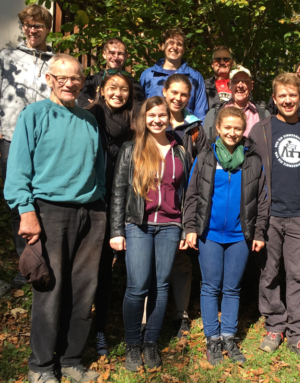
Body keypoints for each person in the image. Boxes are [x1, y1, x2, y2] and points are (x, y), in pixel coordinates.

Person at [4, 53, 106, 383]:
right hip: (48, 213)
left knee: (83, 291)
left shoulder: (89, 120)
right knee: (49, 290)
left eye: (75, 78)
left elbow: (100, 168)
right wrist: (27, 211)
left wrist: (99, 202)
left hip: (90, 213)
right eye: (62, 78)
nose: (69, 84)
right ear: (50, 79)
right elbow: (18, 169)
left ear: (82, 81)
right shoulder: (34, 115)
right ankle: (42, 367)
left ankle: (72, 359)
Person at [109, 96, 191, 372]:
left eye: (162, 115)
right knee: (138, 286)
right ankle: (133, 344)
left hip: (170, 225)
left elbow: (187, 193)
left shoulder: (179, 151)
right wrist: (117, 230)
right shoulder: (132, 148)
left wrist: (184, 228)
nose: (157, 120)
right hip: (138, 225)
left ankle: (152, 342)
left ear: (170, 118)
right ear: (144, 118)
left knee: (162, 285)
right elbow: (119, 190)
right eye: (152, 115)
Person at [184, 107, 268, 365]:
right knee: (210, 286)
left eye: (237, 128)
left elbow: (262, 200)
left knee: (232, 288)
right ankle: (212, 338)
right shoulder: (206, 157)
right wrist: (189, 227)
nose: (232, 133)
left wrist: (259, 232)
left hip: (239, 235)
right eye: (227, 127)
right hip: (209, 234)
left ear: (243, 130)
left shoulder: (252, 160)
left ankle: (229, 336)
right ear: (218, 128)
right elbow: (193, 195)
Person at [249, 73, 300, 362]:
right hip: (270, 216)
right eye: (283, 96)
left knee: (299, 276)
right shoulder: (261, 131)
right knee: (269, 273)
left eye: (293, 95)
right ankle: (275, 326)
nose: (288, 100)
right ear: (275, 99)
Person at [0, 4, 55, 289]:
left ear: (47, 29)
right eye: (28, 26)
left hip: (46, 142)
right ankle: (25, 266)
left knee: (45, 200)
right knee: (17, 203)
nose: (33, 30)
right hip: (10, 138)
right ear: (23, 28)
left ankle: (47, 259)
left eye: (39, 26)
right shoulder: (6, 58)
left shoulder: (56, 62)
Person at [86, 70, 136, 356]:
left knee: (115, 269)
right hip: (93, 202)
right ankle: (89, 326)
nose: (118, 93)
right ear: (102, 90)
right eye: (112, 88)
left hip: (124, 202)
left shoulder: (133, 123)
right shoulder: (90, 117)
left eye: (124, 89)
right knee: (92, 269)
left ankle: (109, 326)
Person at [161, 73, 206, 339]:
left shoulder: (195, 127)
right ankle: (154, 313)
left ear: (189, 98)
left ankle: (181, 314)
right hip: (155, 199)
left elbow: (201, 166)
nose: (178, 98)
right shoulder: (153, 118)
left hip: (184, 199)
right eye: (173, 92)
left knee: (181, 260)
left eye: (184, 94)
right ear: (165, 91)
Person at [140, 29, 208, 121]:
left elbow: (201, 112)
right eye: (170, 43)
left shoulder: (195, 77)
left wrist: (199, 133)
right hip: (154, 130)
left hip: (185, 131)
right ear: (163, 46)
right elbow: (140, 109)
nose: (174, 47)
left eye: (179, 44)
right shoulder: (148, 75)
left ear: (184, 49)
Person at [204, 65, 270, 139]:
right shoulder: (214, 114)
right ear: (229, 85)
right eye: (235, 81)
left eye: (245, 81)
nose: (240, 85)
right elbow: (207, 146)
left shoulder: (263, 114)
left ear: (251, 85)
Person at [77, 38, 146, 108]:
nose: (116, 57)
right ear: (104, 54)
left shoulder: (132, 83)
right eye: (112, 53)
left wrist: (97, 105)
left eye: (120, 54)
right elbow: (83, 106)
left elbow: (139, 108)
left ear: (126, 56)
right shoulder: (91, 82)